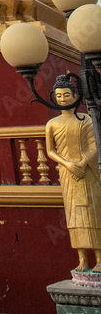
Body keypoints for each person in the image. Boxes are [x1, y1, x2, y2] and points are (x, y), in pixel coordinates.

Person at [45, 75, 101, 272]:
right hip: (68, 175)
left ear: (75, 96)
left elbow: (94, 145)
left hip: (88, 173)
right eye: (59, 95)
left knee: (93, 214)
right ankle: (82, 259)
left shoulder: (86, 120)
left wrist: (83, 163)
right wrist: (68, 164)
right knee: (75, 217)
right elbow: (51, 151)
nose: (62, 99)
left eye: (66, 95)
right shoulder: (52, 124)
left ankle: (99, 259)